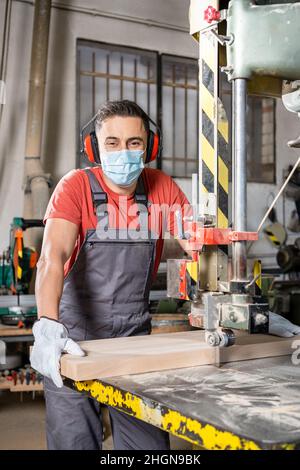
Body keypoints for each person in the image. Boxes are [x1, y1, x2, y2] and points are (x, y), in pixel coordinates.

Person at [30, 100, 191, 450]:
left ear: (149, 147)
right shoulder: (76, 187)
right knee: (75, 442)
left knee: (148, 447)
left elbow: (199, 248)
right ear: (94, 148)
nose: (124, 152)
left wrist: (239, 296)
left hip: (135, 339)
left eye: (134, 143)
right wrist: (47, 326)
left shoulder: (162, 187)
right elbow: (52, 258)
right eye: (112, 143)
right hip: (73, 339)